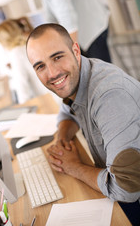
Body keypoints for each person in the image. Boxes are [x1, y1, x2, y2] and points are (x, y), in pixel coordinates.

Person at [26, 23, 140, 225]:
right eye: (40, 66)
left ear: (75, 51)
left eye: (57, 57)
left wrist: (73, 166)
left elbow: (126, 189)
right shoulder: (80, 75)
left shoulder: (110, 96)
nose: (52, 73)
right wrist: (63, 139)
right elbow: (67, 112)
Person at [3, 0, 111, 62]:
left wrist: (70, 53)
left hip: (92, 30)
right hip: (82, 33)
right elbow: (50, 18)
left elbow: (66, 14)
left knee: (101, 77)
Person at [0, 17, 53, 104]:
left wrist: (24, 111)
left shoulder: (16, 53)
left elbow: (22, 87)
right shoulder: (31, 43)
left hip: (51, 102)